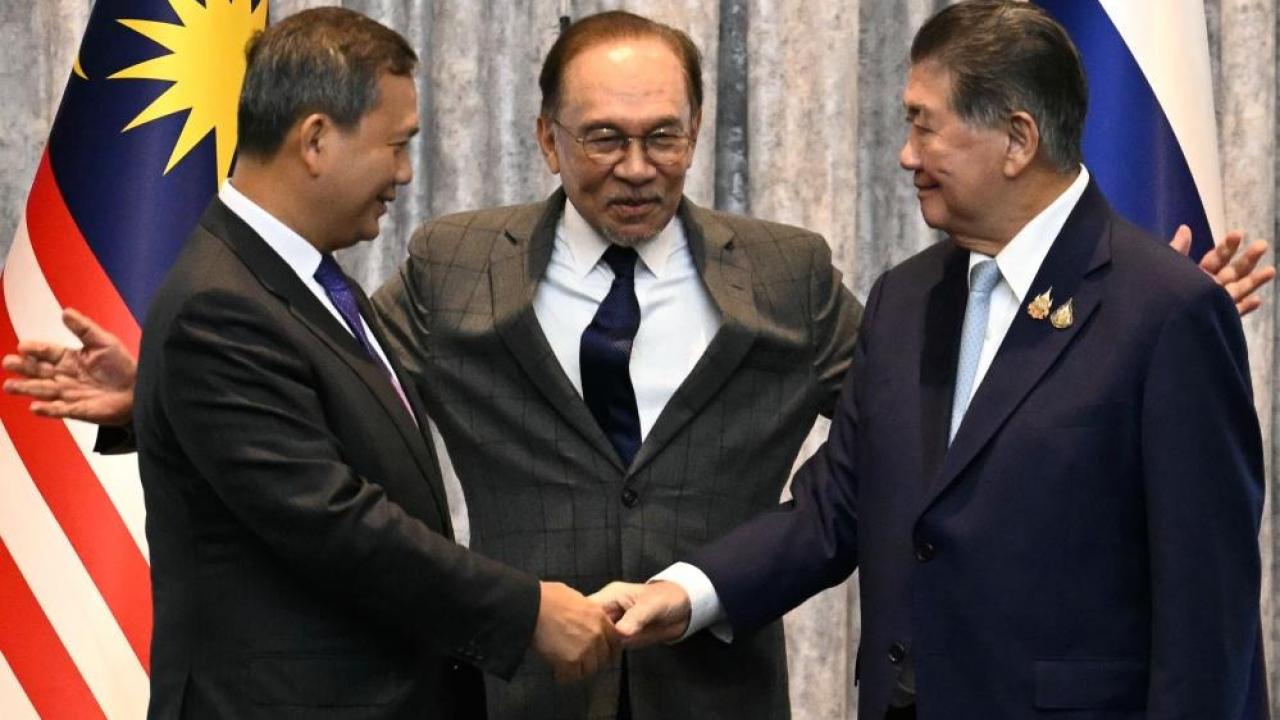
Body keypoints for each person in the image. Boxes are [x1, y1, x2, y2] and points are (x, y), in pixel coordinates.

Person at [2, 8, 1273, 720]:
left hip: (714, 694)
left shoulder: (794, 275)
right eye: (603, 139)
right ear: (547, 140)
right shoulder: (456, 263)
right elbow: (342, 380)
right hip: (519, 694)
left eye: (663, 137)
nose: (635, 167)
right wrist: (159, 392)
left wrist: (1119, 327)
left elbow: (914, 440)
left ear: (698, 134)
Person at [593, 2, 1267, 719]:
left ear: (1017, 139)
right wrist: (687, 592)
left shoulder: (1164, 312)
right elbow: (836, 506)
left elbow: (1208, 609)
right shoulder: (905, 298)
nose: (906, 155)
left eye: (924, 125)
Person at [57, 9, 619, 718]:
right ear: (317, 139)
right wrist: (527, 611)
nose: (405, 173)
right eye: (397, 145)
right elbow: (335, 523)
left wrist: (155, 399)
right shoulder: (222, 305)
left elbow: (310, 428)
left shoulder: (303, 280)